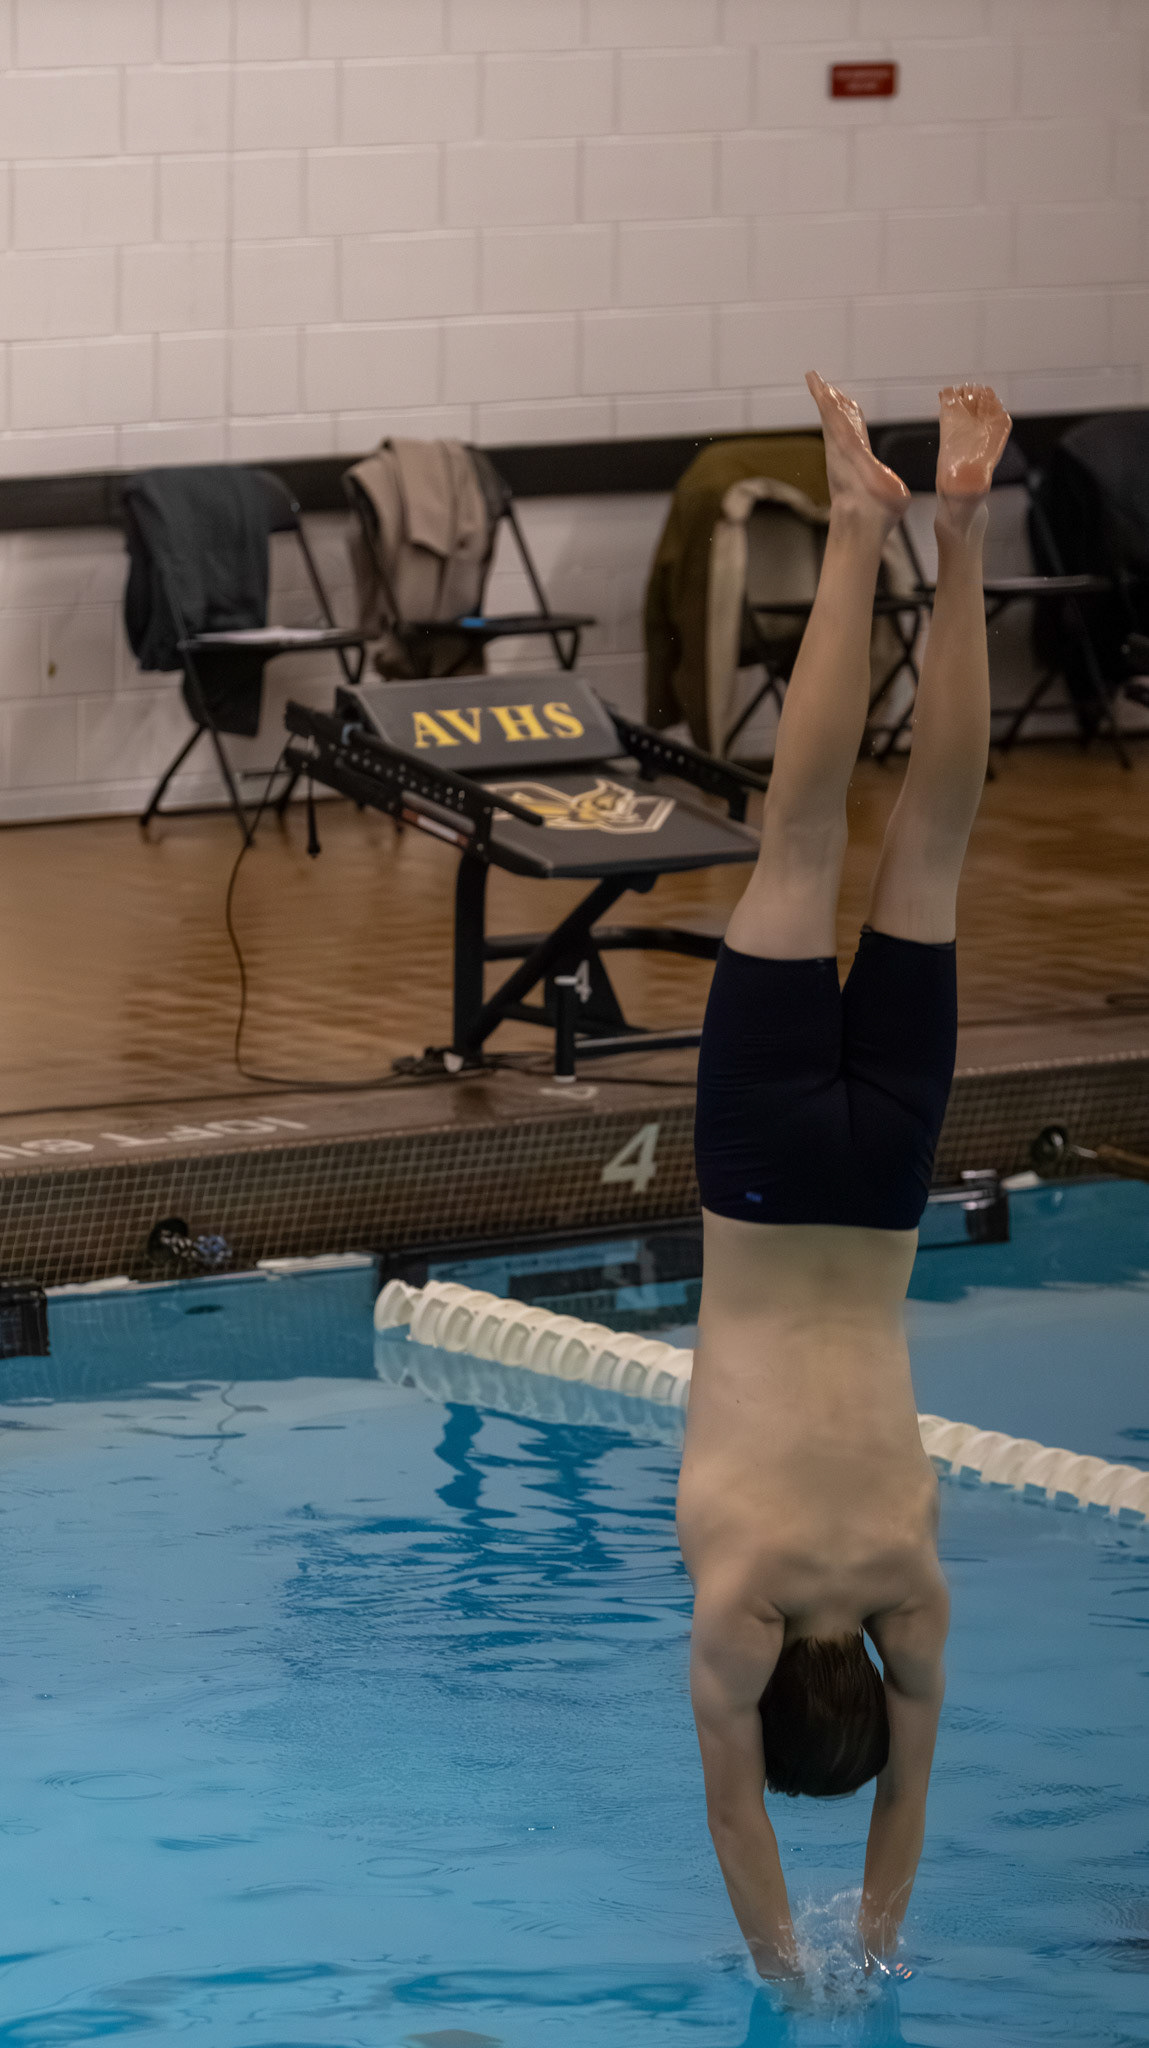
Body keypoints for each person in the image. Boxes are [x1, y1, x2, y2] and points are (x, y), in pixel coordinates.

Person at [676, 372, 1012, 1980]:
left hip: (881, 1187)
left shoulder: (909, 1589)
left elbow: (910, 1791)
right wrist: (784, 1962)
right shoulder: (733, 1597)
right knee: (798, 840)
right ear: (768, 1689)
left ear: (868, 1678)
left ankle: (955, 529)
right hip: (756, 1181)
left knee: (931, 843)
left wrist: (865, 1937)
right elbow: (734, 1816)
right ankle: (854, 524)